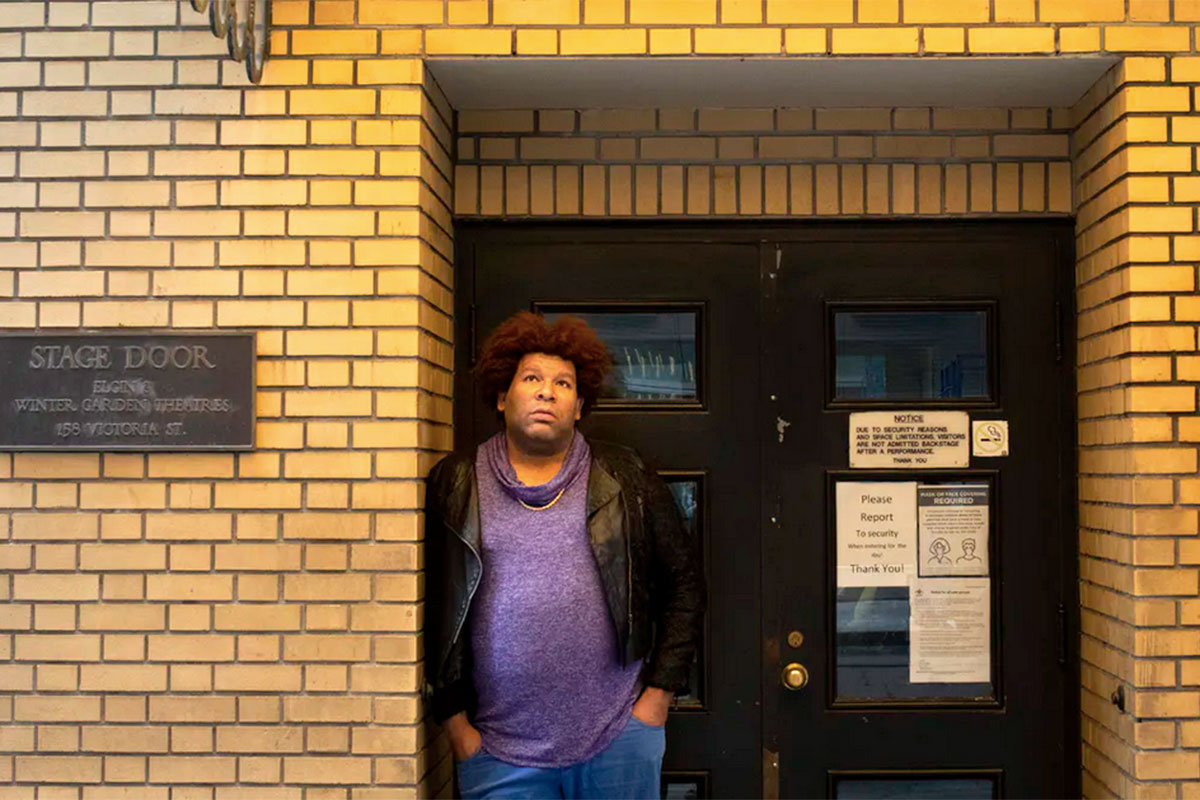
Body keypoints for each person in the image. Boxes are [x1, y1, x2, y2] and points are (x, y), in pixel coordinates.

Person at [424, 311, 705, 800]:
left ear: (578, 406)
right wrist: (456, 727)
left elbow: (683, 584)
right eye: (531, 378)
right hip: (497, 753)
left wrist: (657, 697)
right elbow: (434, 605)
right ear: (501, 395)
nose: (547, 392)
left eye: (563, 383)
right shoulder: (457, 482)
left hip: (618, 741)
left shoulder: (625, 476)